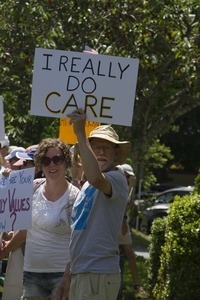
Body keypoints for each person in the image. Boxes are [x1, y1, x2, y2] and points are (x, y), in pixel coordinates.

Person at [57, 108, 131, 300]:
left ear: (116, 155)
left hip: (99, 274)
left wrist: (80, 133)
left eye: (106, 148)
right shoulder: (87, 186)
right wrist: (68, 274)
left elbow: (97, 178)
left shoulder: (117, 178)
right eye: (95, 147)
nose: (100, 152)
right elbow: (79, 234)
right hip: (82, 272)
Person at [0, 138, 79, 299]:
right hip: (32, 273)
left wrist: (69, 275)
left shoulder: (75, 196)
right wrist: (7, 178)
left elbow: (79, 240)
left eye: (57, 159)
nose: (52, 164)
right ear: (40, 164)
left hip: (61, 275)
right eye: (46, 160)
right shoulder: (33, 187)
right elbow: (23, 231)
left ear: (66, 162)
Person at [117, 164, 144, 299]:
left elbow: (126, 206)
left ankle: (136, 283)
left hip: (123, 222)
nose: (128, 178)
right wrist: (122, 221)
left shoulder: (128, 188)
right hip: (117, 223)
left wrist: (131, 186)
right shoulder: (117, 183)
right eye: (126, 175)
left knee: (130, 254)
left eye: (129, 176)